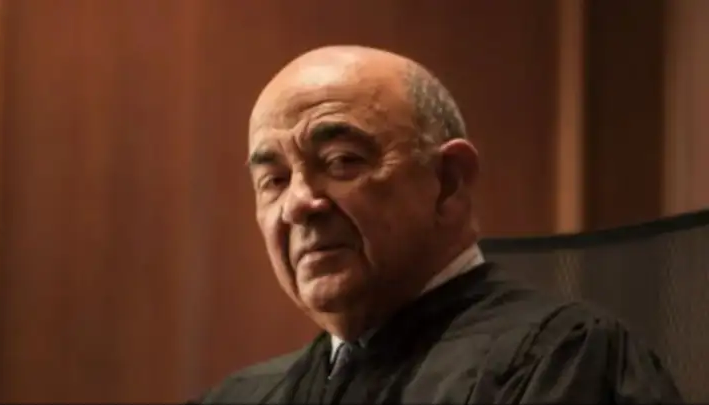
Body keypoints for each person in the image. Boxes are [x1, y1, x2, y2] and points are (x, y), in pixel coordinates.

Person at [194, 45, 683, 404]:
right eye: (274, 180)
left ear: (448, 182)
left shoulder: (562, 361)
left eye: (342, 161)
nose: (299, 204)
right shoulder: (241, 396)